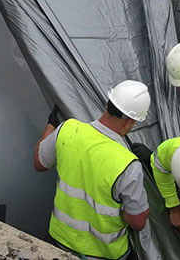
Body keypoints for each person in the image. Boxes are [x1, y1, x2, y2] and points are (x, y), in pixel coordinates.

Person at [34, 81, 152, 260]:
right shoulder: (128, 164)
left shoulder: (67, 129)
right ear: (129, 121)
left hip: (57, 242)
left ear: (107, 104)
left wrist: (51, 124)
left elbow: (39, 163)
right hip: (104, 254)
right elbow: (138, 222)